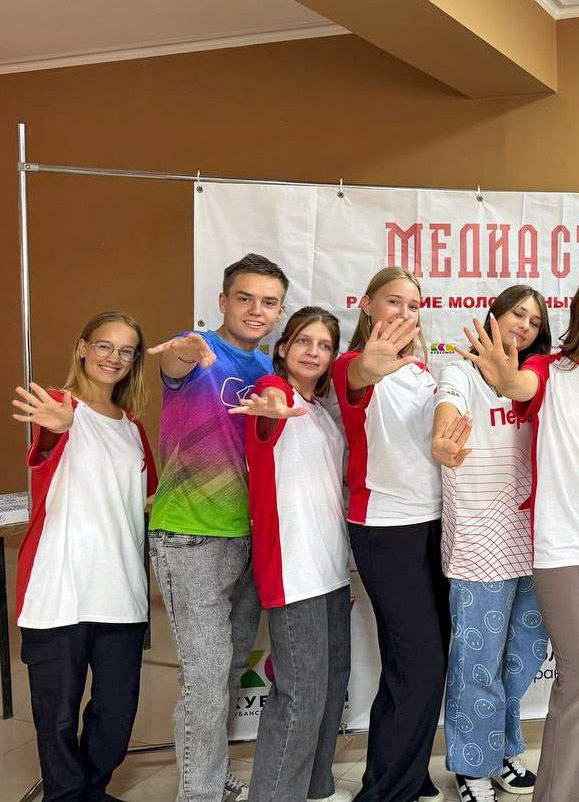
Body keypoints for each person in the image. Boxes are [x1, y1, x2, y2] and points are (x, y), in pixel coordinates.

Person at [458, 270, 579, 802]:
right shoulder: (548, 370)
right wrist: (503, 376)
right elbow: (518, 385)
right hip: (561, 544)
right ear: (578, 314)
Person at [146, 253, 288, 802]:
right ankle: (199, 793)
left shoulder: (266, 368)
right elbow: (176, 362)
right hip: (190, 538)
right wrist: (186, 353)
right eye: (245, 298)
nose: (256, 310)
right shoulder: (198, 346)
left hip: (247, 539)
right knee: (205, 680)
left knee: (226, 671)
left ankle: (207, 774)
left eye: (269, 302)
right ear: (223, 301)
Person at [13, 311, 157, 802]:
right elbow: (44, 449)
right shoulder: (59, 407)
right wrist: (57, 428)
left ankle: (91, 791)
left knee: (115, 713)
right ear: (82, 347)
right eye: (104, 346)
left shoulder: (133, 428)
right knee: (56, 717)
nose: (113, 358)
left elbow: (149, 498)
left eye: (126, 351)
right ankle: (65, 796)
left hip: (121, 592)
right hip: (59, 591)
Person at [432, 286, 553, 802]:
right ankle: (471, 765)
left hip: (537, 541)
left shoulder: (538, 378)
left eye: (534, 320)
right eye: (516, 314)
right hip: (479, 544)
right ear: (493, 317)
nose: (523, 325)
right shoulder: (461, 372)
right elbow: (448, 409)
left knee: (523, 655)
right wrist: (443, 441)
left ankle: (501, 747)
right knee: (477, 662)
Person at [332, 267, 446, 802]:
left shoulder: (421, 372)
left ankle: (408, 771)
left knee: (426, 660)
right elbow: (356, 379)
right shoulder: (352, 365)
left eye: (413, 305)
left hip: (434, 523)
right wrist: (368, 368)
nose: (404, 312)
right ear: (368, 306)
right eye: (393, 301)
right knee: (417, 661)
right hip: (384, 527)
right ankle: (384, 790)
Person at [233, 307, 353, 802]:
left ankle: (316, 788)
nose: (313, 352)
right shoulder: (274, 392)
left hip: (331, 569)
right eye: (304, 341)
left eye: (324, 346)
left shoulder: (321, 411)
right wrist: (269, 409)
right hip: (293, 569)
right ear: (282, 348)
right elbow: (267, 420)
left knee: (331, 685)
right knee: (299, 693)